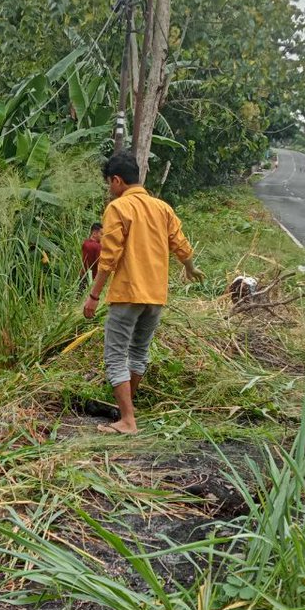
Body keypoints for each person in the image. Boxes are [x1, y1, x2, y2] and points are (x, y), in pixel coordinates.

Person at [83, 150, 204, 434]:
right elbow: (181, 244)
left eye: (109, 184)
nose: (109, 190)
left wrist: (94, 295)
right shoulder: (162, 208)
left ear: (116, 180)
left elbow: (109, 257)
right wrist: (189, 267)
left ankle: (127, 420)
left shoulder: (118, 209)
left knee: (115, 356)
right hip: (155, 296)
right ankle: (126, 410)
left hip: (127, 294)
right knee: (138, 353)